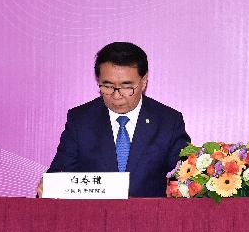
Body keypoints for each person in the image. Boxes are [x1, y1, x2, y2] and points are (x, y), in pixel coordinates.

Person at [39, 42, 190, 197]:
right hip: (94, 211)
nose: (116, 96)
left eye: (127, 86)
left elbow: (187, 176)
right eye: (108, 86)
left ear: (144, 81)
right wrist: (50, 187)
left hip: (150, 212)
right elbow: (59, 174)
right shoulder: (80, 120)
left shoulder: (168, 122)